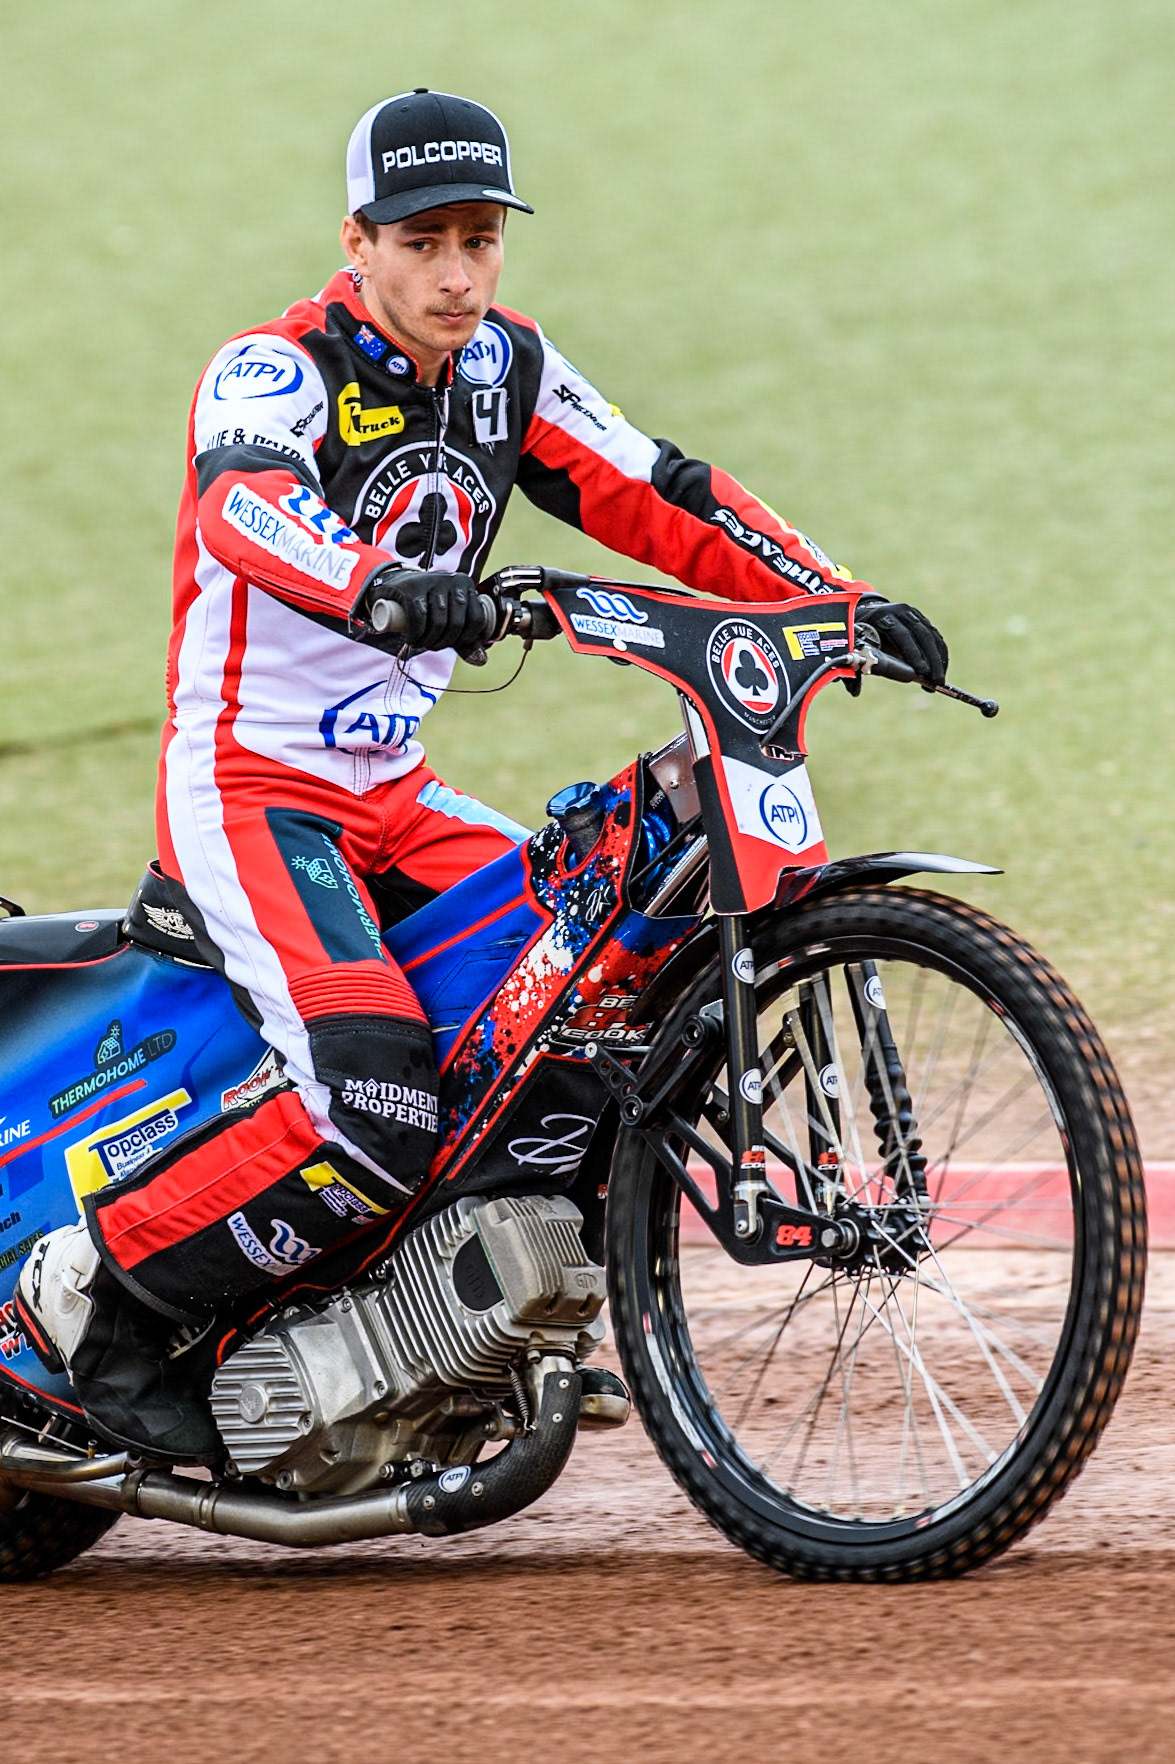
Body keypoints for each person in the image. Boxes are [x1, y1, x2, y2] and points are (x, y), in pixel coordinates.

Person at [16, 89, 948, 1461]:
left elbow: (660, 490)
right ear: (360, 241)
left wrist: (837, 602)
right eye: (424, 241)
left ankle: (449, 1319)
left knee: (576, 993)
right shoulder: (268, 368)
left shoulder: (511, 366)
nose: (456, 273)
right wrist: (379, 584)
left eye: (480, 240)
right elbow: (246, 504)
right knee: (372, 1089)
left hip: (394, 793)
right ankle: (95, 1297)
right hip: (252, 789)